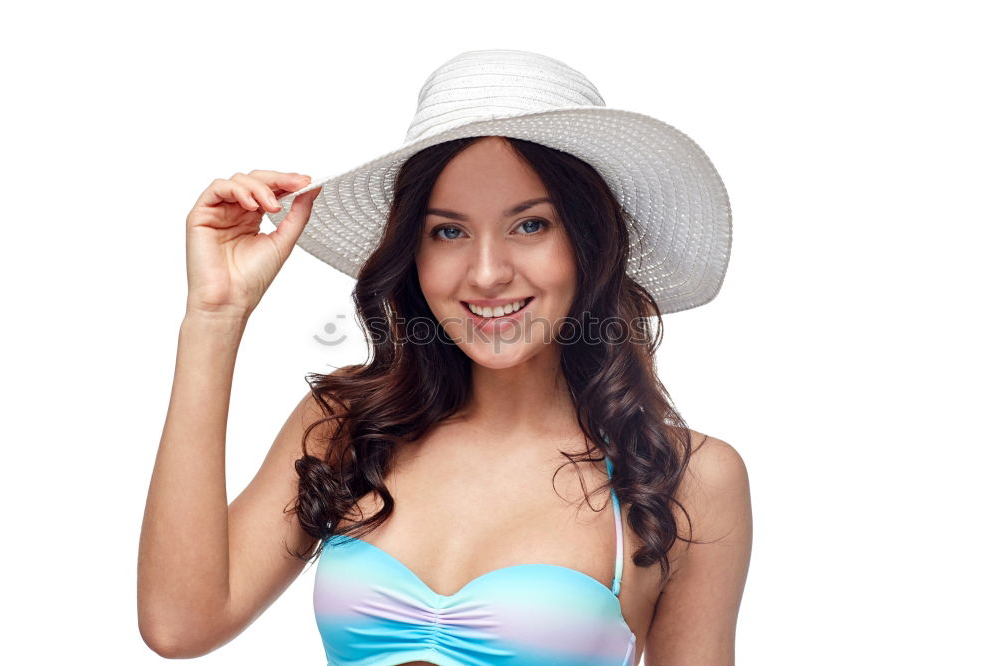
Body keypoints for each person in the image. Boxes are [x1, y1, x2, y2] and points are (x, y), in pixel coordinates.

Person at [138, 50, 752, 666]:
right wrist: (215, 317)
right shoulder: (348, 423)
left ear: (591, 241)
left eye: (531, 225)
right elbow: (181, 625)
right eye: (449, 231)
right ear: (415, 251)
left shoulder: (687, 478)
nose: (486, 274)